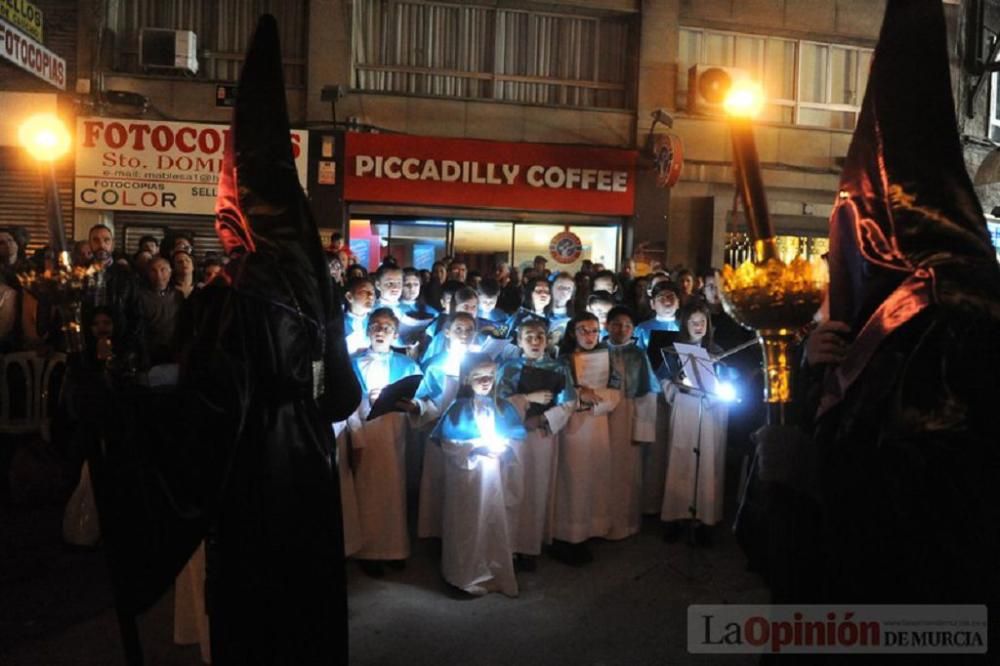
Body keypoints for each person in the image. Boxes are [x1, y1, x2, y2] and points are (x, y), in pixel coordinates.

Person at [180, 16, 361, 663]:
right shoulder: (323, 292)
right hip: (308, 473)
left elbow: (206, 406)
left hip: (253, 483)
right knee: (306, 611)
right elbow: (342, 397)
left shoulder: (231, 295)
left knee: (257, 618)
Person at [433, 353, 525, 597]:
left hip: (495, 474)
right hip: (468, 478)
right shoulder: (458, 409)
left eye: (491, 376)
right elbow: (449, 442)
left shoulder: (503, 406)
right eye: (479, 376)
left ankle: (495, 571)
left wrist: (504, 449)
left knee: (495, 519)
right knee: (467, 523)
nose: (486, 381)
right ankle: (464, 576)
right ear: (466, 379)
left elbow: (514, 437)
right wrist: (475, 449)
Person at [347, 308, 423, 577]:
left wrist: (413, 404)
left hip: (394, 432)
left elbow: (420, 397)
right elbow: (349, 403)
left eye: (387, 327)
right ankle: (369, 551)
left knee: (394, 490)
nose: (380, 331)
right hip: (368, 431)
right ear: (368, 330)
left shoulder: (408, 365)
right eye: (375, 325)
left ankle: (395, 548)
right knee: (369, 491)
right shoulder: (354, 363)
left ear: (395, 333)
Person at [496, 319, 576, 569]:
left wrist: (543, 418)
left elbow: (569, 402)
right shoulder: (507, 368)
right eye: (528, 336)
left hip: (542, 435)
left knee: (537, 487)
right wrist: (524, 409)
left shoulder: (558, 367)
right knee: (511, 487)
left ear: (547, 340)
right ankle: (507, 546)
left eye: (540, 336)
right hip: (513, 435)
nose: (535, 341)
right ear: (519, 341)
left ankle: (529, 546)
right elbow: (498, 401)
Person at [550, 312, 620, 565]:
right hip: (573, 426)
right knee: (572, 480)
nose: (590, 336)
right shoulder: (563, 361)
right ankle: (567, 536)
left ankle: (589, 531)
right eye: (583, 330)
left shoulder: (608, 357)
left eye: (594, 331)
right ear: (572, 333)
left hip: (599, 423)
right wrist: (580, 394)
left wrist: (595, 397)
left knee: (594, 477)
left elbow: (617, 389)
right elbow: (556, 392)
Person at [661, 302, 728, 545]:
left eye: (703, 322)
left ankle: (703, 521)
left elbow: (726, 382)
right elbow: (664, 381)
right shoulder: (674, 351)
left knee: (706, 464)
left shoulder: (717, 350)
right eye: (694, 322)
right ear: (685, 324)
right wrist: (675, 384)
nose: (699, 327)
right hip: (684, 408)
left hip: (709, 412)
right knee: (681, 462)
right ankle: (677, 518)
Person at [412, 311, 477, 539]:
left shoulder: (482, 361)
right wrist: (428, 408)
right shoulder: (434, 364)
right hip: (438, 431)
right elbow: (422, 398)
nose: (464, 334)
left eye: (469, 330)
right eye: (458, 329)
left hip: (471, 434)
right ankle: (436, 532)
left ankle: (465, 532)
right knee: (438, 481)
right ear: (447, 332)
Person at [604, 306, 659, 540]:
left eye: (627, 325)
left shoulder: (638, 355)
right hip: (600, 417)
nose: (622, 329)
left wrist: (642, 429)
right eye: (617, 324)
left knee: (625, 472)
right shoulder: (597, 351)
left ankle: (623, 524)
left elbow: (647, 394)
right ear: (607, 326)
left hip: (627, 415)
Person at [138, 256, 184, 367]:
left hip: (175, 351)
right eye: (153, 271)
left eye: (163, 270)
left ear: (170, 272)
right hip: (150, 352)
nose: (158, 275)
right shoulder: (140, 296)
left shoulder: (178, 295)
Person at [635, 281, 681, 349]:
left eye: (671, 297)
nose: (667, 302)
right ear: (652, 304)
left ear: (678, 303)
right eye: (661, 298)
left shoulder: (685, 327)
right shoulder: (642, 329)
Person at [343, 275, 376, 354]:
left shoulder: (374, 321)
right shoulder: (339, 322)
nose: (371, 296)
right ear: (349, 296)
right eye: (364, 291)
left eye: (373, 292)